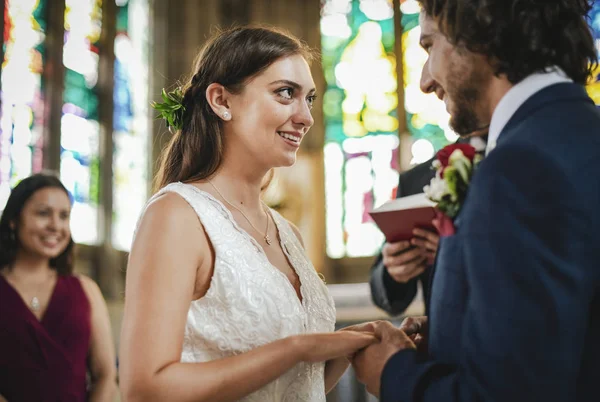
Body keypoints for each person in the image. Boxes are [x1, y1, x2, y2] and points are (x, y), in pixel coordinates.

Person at [350, 0, 600, 400]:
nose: (425, 82)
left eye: (429, 45)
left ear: (475, 30)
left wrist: (392, 372)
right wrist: (456, 336)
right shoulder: (578, 134)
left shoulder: (519, 169)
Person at [118, 26, 377, 402]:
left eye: (310, 99)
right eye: (285, 93)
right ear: (221, 100)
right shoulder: (178, 216)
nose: (305, 117)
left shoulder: (288, 233)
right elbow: (145, 389)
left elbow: (294, 387)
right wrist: (295, 347)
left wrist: (354, 343)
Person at [0, 173, 117, 401]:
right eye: (43, 213)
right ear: (14, 219)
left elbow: (105, 375)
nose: (56, 225)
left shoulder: (86, 289)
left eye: (64, 216)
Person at [370, 136, 486, 316]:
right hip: (444, 334)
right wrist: (393, 270)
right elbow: (382, 292)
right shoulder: (417, 180)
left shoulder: (527, 159)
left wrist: (455, 252)